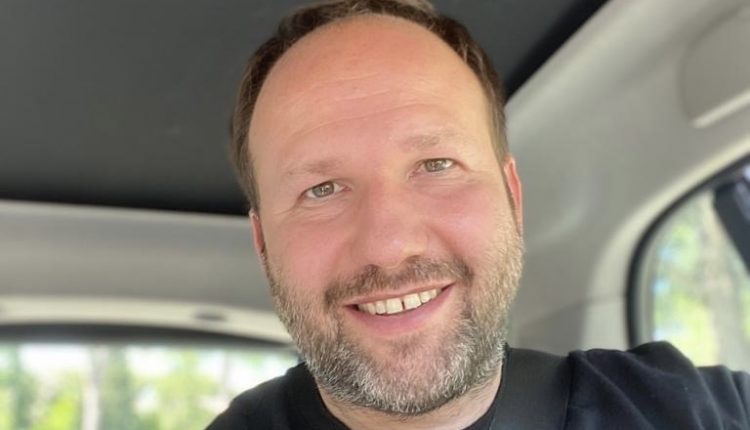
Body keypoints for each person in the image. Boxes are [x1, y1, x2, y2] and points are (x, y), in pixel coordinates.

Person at [207, 1, 750, 429]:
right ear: (263, 244)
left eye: (436, 164)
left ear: (512, 196)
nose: (388, 244)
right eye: (322, 189)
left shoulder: (698, 413)